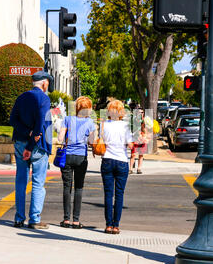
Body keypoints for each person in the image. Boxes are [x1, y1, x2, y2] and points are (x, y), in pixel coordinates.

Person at [9, 71, 53, 229]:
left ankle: (19, 218)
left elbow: (12, 120)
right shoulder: (44, 99)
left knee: (20, 181)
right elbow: (40, 125)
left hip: (20, 143)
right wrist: (30, 144)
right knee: (37, 183)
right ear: (44, 84)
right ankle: (34, 219)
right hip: (37, 146)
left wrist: (25, 132)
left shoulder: (21, 97)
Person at [57, 96, 97, 229]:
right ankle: (76, 220)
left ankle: (66, 219)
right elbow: (92, 142)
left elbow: (60, 137)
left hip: (67, 155)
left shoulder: (67, 119)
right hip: (81, 157)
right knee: (79, 187)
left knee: (67, 187)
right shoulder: (90, 122)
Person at [100, 100, 134, 234]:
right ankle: (116, 225)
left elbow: (100, 141)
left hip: (107, 159)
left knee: (108, 194)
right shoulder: (125, 126)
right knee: (119, 194)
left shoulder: (104, 125)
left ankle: (108, 224)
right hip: (121, 160)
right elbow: (131, 145)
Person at [129, 109, 149, 174]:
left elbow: (147, 130)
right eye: (139, 112)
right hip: (135, 139)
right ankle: (130, 169)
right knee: (133, 154)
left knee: (141, 155)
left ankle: (139, 168)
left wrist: (145, 137)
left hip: (142, 139)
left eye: (142, 112)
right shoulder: (134, 121)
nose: (140, 114)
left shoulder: (145, 121)